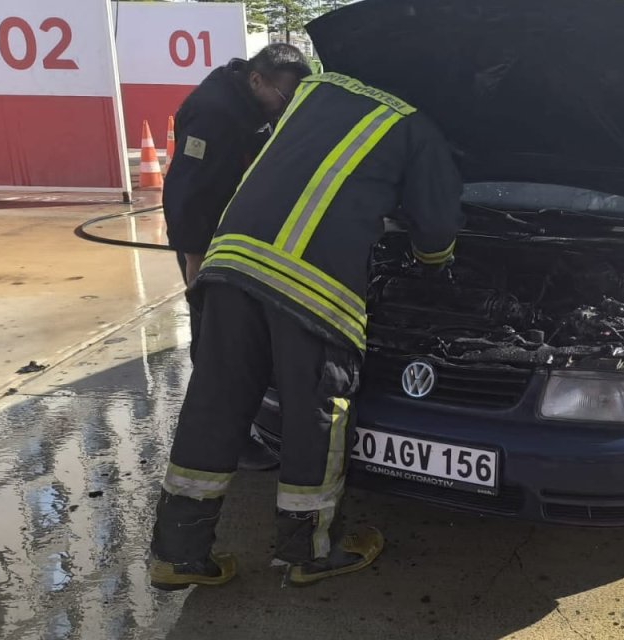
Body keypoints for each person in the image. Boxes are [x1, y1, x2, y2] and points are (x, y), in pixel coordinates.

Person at [148, 71, 463, 590]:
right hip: (312, 288)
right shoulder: (416, 130)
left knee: (214, 404)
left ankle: (177, 555)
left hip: (229, 265)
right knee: (316, 415)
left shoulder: (318, 89)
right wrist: (436, 264)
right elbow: (436, 230)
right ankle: (312, 553)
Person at [163, 43, 312, 347]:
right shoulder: (212, 115)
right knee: (213, 330)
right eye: (284, 97)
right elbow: (187, 190)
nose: (285, 107)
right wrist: (195, 258)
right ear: (256, 80)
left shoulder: (251, 102)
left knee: (239, 328)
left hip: (237, 233)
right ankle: (208, 384)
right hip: (207, 241)